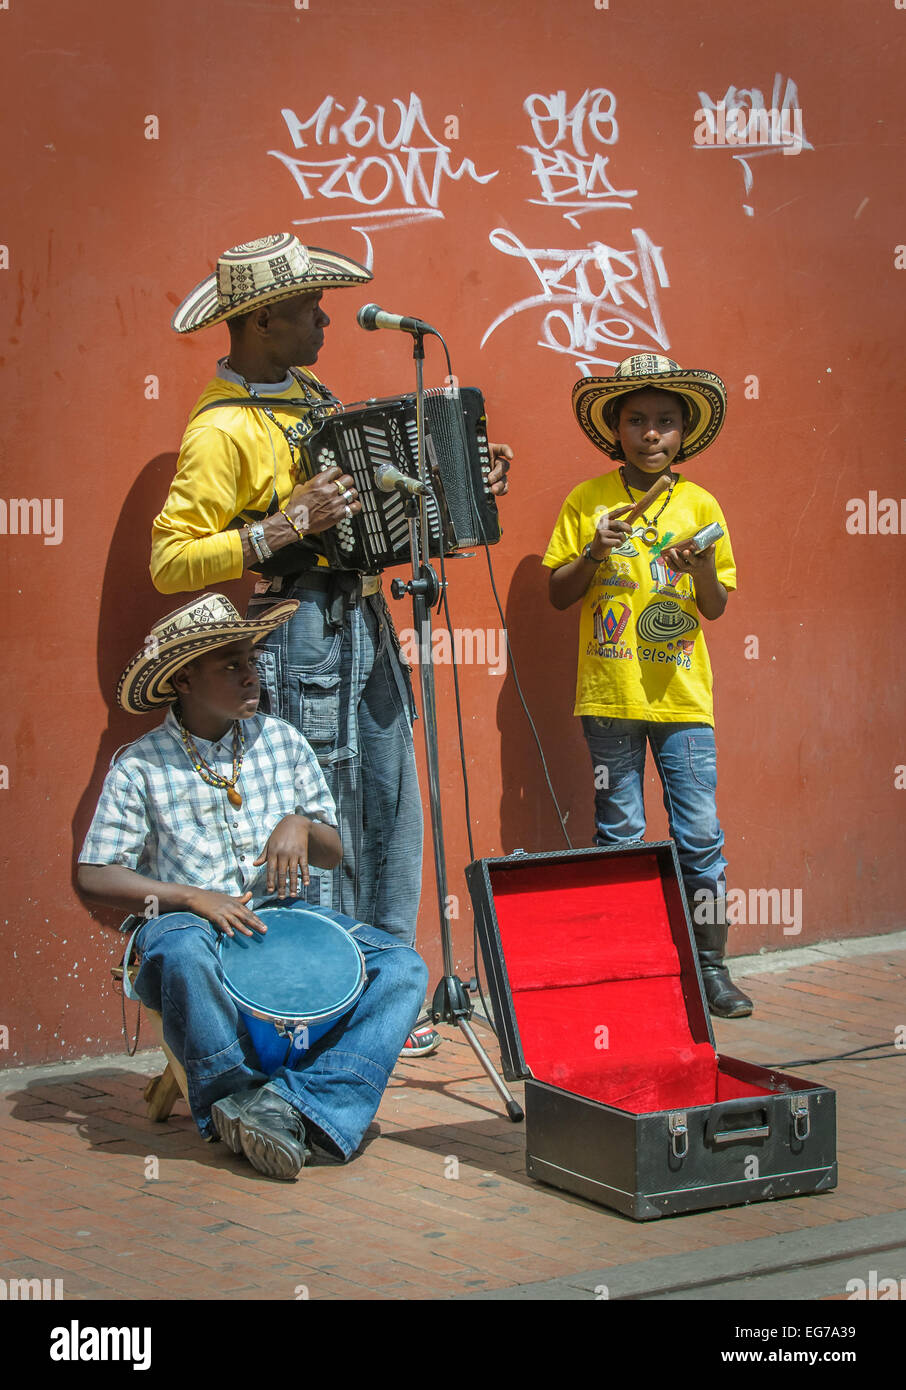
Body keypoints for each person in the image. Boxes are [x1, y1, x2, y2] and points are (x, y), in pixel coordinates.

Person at [150, 233, 513, 1056]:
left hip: (363, 622)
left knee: (388, 805)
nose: (325, 319)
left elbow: (370, 515)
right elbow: (170, 559)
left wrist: (462, 488)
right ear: (265, 319)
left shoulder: (310, 393)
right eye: (312, 308)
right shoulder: (222, 429)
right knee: (325, 811)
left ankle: (387, 989)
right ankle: (326, 999)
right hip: (297, 635)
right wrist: (278, 528)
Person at [77, 593, 429, 1179]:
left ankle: (293, 1104)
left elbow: (332, 849)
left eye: (252, 659)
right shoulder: (139, 765)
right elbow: (95, 874)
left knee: (402, 968)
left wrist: (298, 824)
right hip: (188, 928)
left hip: (281, 921)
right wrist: (191, 897)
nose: (253, 674)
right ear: (184, 680)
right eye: (232, 665)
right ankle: (235, 1098)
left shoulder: (283, 742)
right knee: (184, 948)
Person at [543, 354, 752, 1018]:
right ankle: (629, 968)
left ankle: (711, 967)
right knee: (621, 834)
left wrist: (698, 572)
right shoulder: (588, 502)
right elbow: (557, 593)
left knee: (700, 835)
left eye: (666, 422)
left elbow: (716, 606)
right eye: (637, 421)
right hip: (609, 699)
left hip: (683, 702)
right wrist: (594, 552)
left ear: (685, 432)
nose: (652, 434)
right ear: (616, 429)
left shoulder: (701, 505)